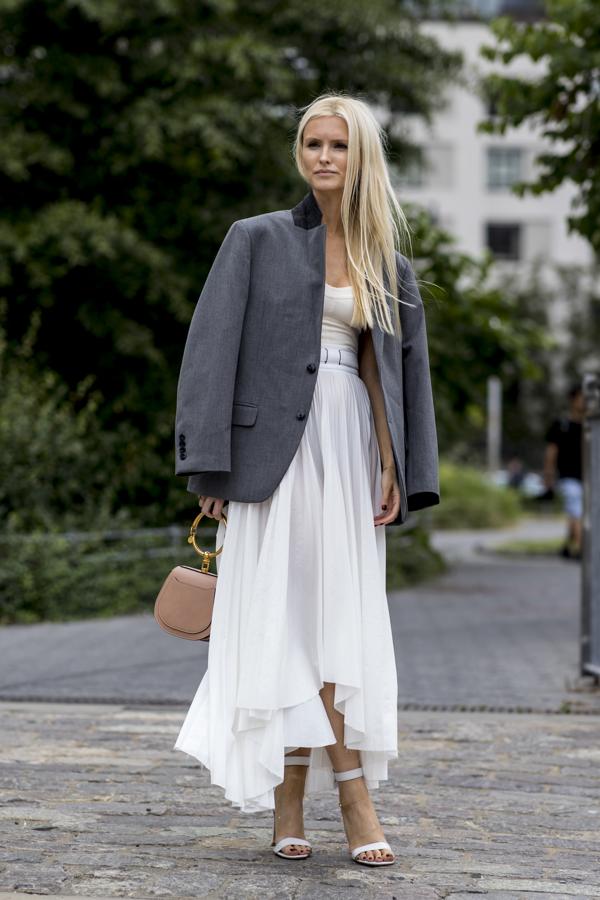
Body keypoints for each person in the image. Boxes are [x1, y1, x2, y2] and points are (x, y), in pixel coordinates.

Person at [173, 93, 439, 867]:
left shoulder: (387, 260)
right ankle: (319, 795)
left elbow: (388, 368)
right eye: (313, 143)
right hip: (268, 459)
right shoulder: (254, 240)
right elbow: (210, 353)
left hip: (346, 444)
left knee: (337, 623)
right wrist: (208, 466)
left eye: (339, 145)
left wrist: (392, 463)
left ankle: (335, 792)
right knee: (280, 618)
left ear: (362, 158)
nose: (323, 156)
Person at [543, 384, 584, 560]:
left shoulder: (593, 426)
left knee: (580, 513)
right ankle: (585, 549)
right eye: (582, 398)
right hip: (569, 476)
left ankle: (567, 545)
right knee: (576, 510)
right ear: (573, 399)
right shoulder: (562, 425)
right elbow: (551, 451)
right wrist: (548, 475)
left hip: (590, 477)